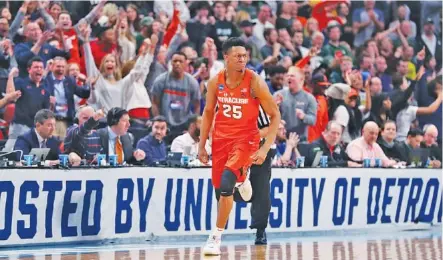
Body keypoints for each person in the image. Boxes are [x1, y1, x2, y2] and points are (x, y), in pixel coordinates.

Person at [197, 37, 280, 255]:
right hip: (225, 142)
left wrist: (262, 149)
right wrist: (202, 144)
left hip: (254, 142)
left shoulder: (255, 84)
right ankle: (240, 183)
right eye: (238, 56)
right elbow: (207, 114)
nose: (242, 60)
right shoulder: (217, 82)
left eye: (245, 56)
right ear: (226, 58)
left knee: (256, 189)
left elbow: (274, 119)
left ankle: (249, 231)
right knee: (222, 188)